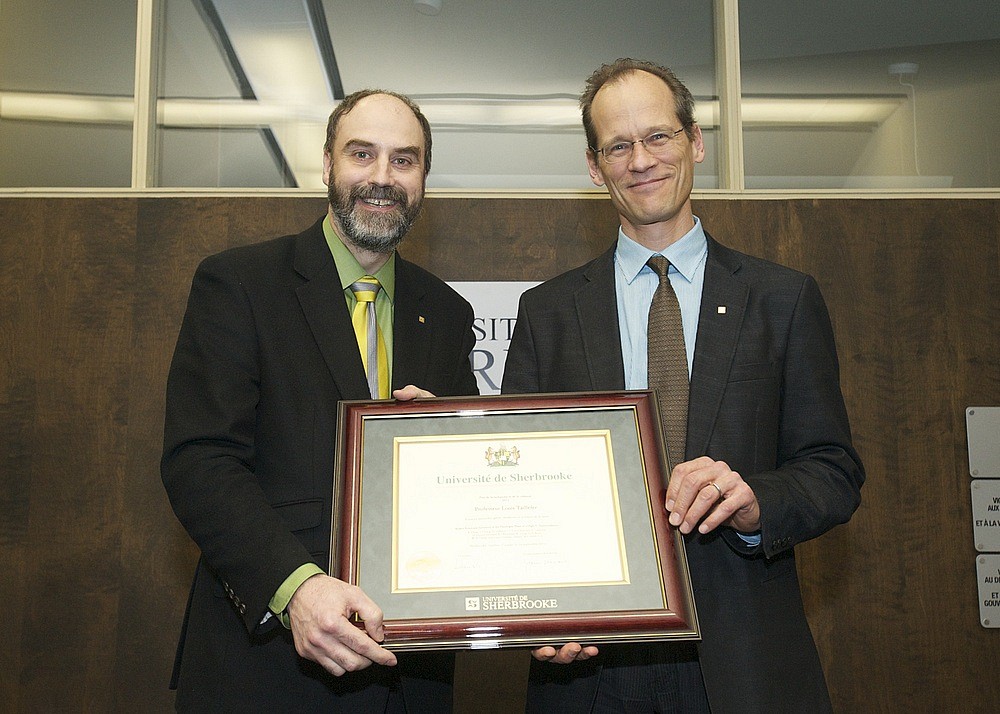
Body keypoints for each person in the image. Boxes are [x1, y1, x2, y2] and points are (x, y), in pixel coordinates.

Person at [502, 59, 865, 713]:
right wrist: (535, 611)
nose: (641, 160)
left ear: (695, 141)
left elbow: (834, 471)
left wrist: (756, 503)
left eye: (659, 137)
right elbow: (519, 493)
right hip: (589, 671)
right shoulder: (547, 313)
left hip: (743, 664)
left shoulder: (781, 299)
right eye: (618, 145)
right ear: (594, 166)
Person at [161, 89, 478, 712]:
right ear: (327, 164)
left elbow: (460, 495)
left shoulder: (445, 312)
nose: (382, 178)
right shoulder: (239, 284)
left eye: (404, 160)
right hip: (267, 671)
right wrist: (296, 589)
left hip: (409, 681)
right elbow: (200, 461)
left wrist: (449, 447)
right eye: (363, 154)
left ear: (424, 179)